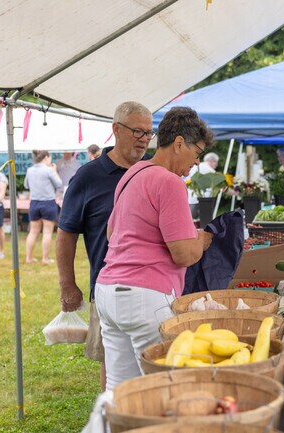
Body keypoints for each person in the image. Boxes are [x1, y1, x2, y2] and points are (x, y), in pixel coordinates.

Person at [95, 106, 213, 390]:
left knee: (119, 389)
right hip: (145, 297)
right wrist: (202, 240)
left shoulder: (133, 173)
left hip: (108, 293)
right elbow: (184, 255)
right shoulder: (170, 182)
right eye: (196, 153)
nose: (196, 162)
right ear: (179, 143)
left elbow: (113, 234)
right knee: (162, 388)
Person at [57, 101, 153, 392]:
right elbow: (66, 233)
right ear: (116, 130)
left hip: (151, 287)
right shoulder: (88, 176)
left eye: (149, 133)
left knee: (151, 363)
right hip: (107, 288)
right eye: (138, 131)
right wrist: (67, 285)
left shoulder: (151, 172)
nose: (144, 139)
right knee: (112, 365)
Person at [24, 150, 63, 264]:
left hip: (34, 202)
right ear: (46, 157)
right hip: (48, 203)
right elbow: (59, 184)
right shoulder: (49, 170)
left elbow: (26, 185)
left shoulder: (30, 170)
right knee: (47, 232)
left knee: (33, 231)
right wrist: (54, 171)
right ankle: (45, 258)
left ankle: (28, 258)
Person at [187, 152, 219, 219]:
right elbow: (220, 182)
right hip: (203, 201)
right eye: (216, 162)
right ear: (213, 161)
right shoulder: (209, 169)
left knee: (193, 221)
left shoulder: (196, 166)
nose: (216, 165)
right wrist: (235, 192)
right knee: (204, 222)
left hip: (190, 199)